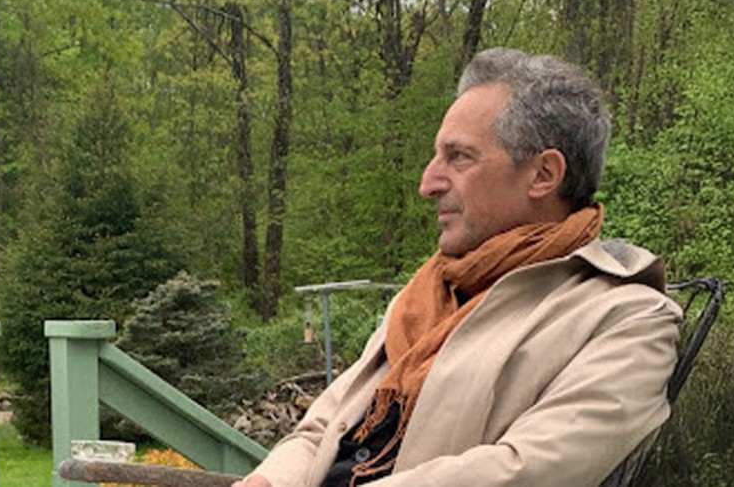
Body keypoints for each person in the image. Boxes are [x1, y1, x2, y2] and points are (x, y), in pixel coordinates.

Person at [233, 48, 682, 487]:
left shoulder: (628, 320)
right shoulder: (428, 296)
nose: (428, 184)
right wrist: (272, 479)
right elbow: (326, 423)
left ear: (544, 175)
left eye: (459, 157)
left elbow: (526, 470)